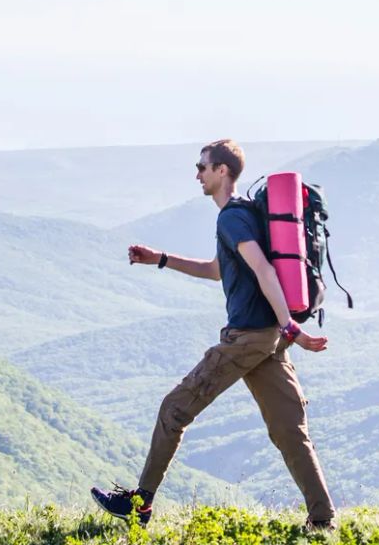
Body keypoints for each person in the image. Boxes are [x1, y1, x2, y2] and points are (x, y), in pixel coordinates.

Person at [90, 139, 336, 530]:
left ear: (222, 171)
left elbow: (264, 271)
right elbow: (216, 269)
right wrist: (162, 260)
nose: (198, 174)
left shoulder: (231, 219)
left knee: (174, 409)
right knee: (290, 431)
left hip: (248, 339)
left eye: (203, 167)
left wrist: (293, 327)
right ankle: (323, 520)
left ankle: (140, 505)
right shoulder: (242, 216)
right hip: (268, 340)